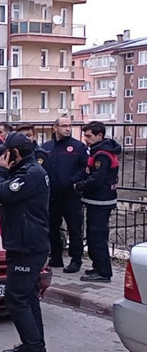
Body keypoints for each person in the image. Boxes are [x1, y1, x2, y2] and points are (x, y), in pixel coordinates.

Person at [0, 132, 50, 352]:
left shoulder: (31, 174)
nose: (2, 158)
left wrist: (0, 171)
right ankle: (34, 346)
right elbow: (11, 199)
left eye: (6, 153)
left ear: (16, 153)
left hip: (27, 246)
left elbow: (2, 191)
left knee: (16, 299)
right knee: (28, 298)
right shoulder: (28, 172)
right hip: (27, 242)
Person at [73, 121, 121, 283]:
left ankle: (103, 272)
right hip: (98, 200)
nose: (85, 139)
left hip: (100, 201)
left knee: (97, 237)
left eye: (89, 136)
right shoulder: (100, 151)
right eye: (84, 135)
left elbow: (96, 179)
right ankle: (98, 266)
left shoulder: (102, 155)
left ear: (99, 135)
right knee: (94, 236)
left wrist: (80, 185)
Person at [42, 117, 88, 272]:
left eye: (69, 126)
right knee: (52, 228)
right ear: (55, 128)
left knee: (75, 229)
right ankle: (56, 258)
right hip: (53, 196)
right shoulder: (47, 147)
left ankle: (76, 260)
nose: (68, 129)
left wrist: (72, 181)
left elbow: (85, 168)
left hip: (71, 195)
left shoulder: (78, 147)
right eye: (64, 126)